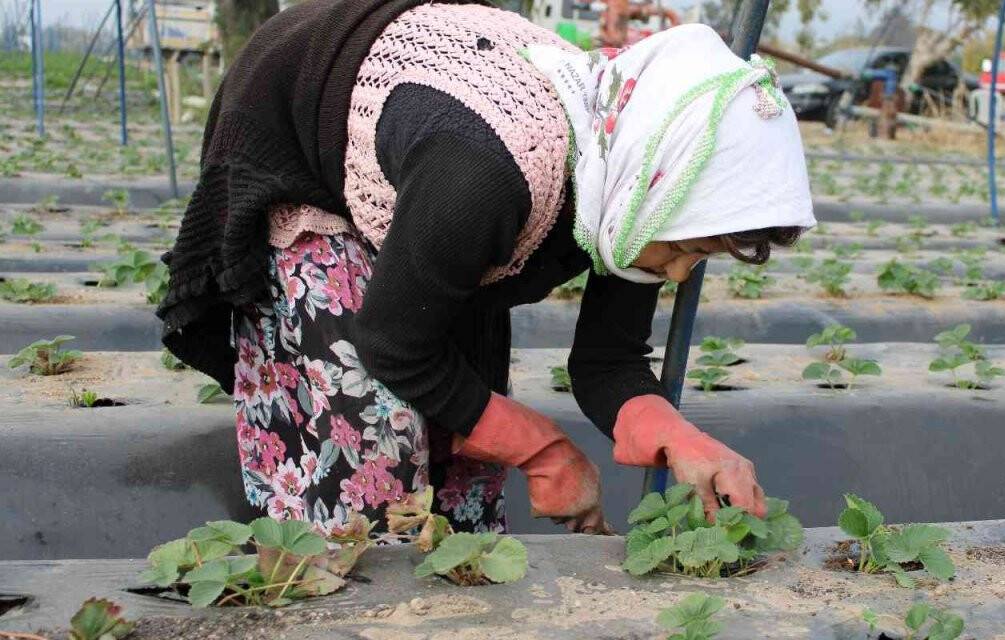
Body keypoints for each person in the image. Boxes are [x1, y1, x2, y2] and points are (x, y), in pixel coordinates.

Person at [157, 0, 814, 537]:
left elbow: (607, 360)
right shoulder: (487, 178)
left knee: (465, 449)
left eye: (697, 258)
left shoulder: (632, 182)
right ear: (652, 190)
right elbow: (392, 341)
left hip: (436, 188)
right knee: (372, 459)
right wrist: (541, 446)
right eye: (688, 253)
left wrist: (681, 440)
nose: (676, 275)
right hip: (301, 135)